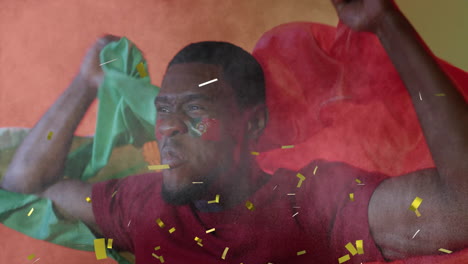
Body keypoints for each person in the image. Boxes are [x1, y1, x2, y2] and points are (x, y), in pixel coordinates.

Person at [1, 0, 467, 263]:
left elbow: (460, 208)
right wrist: (87, 83)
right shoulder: (142, 206)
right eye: (163, 109)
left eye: (195, 108)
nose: (167, 126)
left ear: (254, 125)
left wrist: (385, 22)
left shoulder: (311, 204)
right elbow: (25, 190)